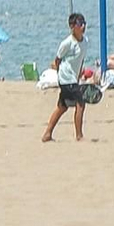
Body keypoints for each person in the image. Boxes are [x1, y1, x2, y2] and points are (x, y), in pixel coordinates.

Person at [43, 11, 89, 142]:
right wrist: (61, 75)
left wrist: (79, 74)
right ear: (72, 27)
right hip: (66, 79)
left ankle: (47, 134)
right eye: (80, 24)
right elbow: (57, 60)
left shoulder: (85, 41)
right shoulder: (67, 43)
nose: (83, 27)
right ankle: (79, 135)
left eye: (84, 23)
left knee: (62, 107)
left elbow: (81, 59)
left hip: (74, 78)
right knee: (81, 103)